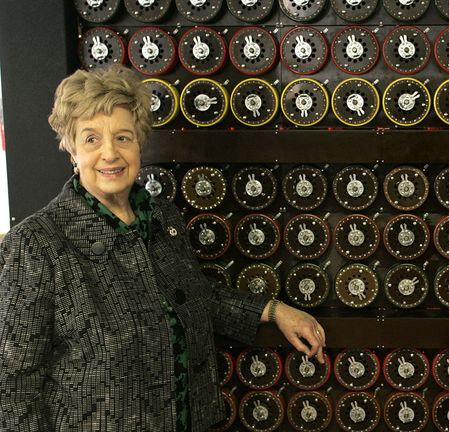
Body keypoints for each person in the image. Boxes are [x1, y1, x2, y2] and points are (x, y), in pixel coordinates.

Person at [0, 65, 326, 431]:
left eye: (123, 137)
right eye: (91, 139)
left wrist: (274, 310)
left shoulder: (160, 216)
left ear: (139, 143)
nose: (110, 154)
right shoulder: (37, 243)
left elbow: (194, 296)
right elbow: (14, 383)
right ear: (72, 151)